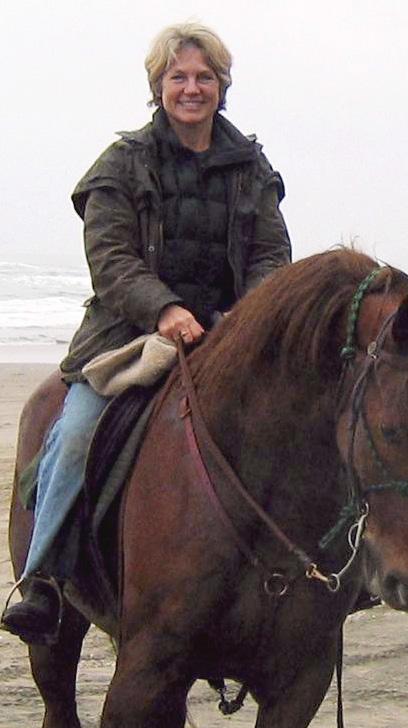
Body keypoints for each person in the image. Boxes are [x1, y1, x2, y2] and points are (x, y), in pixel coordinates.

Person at [1, 22, 291, 643]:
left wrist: (247, 319)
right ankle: (44, 577)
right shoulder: (122, 164)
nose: (192, 88)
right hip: (125, 336)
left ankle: (323, 575)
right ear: (158, 86)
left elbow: (271, 255)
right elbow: (110, 259)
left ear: (222, 86)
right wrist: (164, 310)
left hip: (226, 336)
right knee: (75, 435)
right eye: (178, 77)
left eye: (204, 77)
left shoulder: (252, 168)